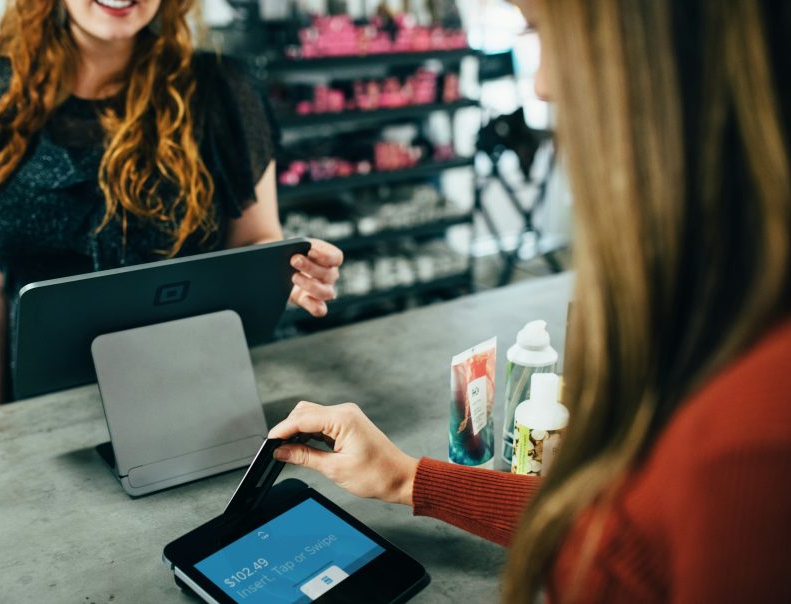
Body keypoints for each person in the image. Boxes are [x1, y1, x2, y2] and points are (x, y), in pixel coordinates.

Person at [269, 0, 791, 602]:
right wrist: (408, 478)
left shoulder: (753, 444)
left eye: (545, 31)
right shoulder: (727, 328)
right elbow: (627, 526)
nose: (541, 83)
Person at [0, 0, 343, 413]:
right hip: (40, 407)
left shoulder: (220, 89)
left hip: (194, 393)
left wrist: (283, 272)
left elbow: (255, 239)